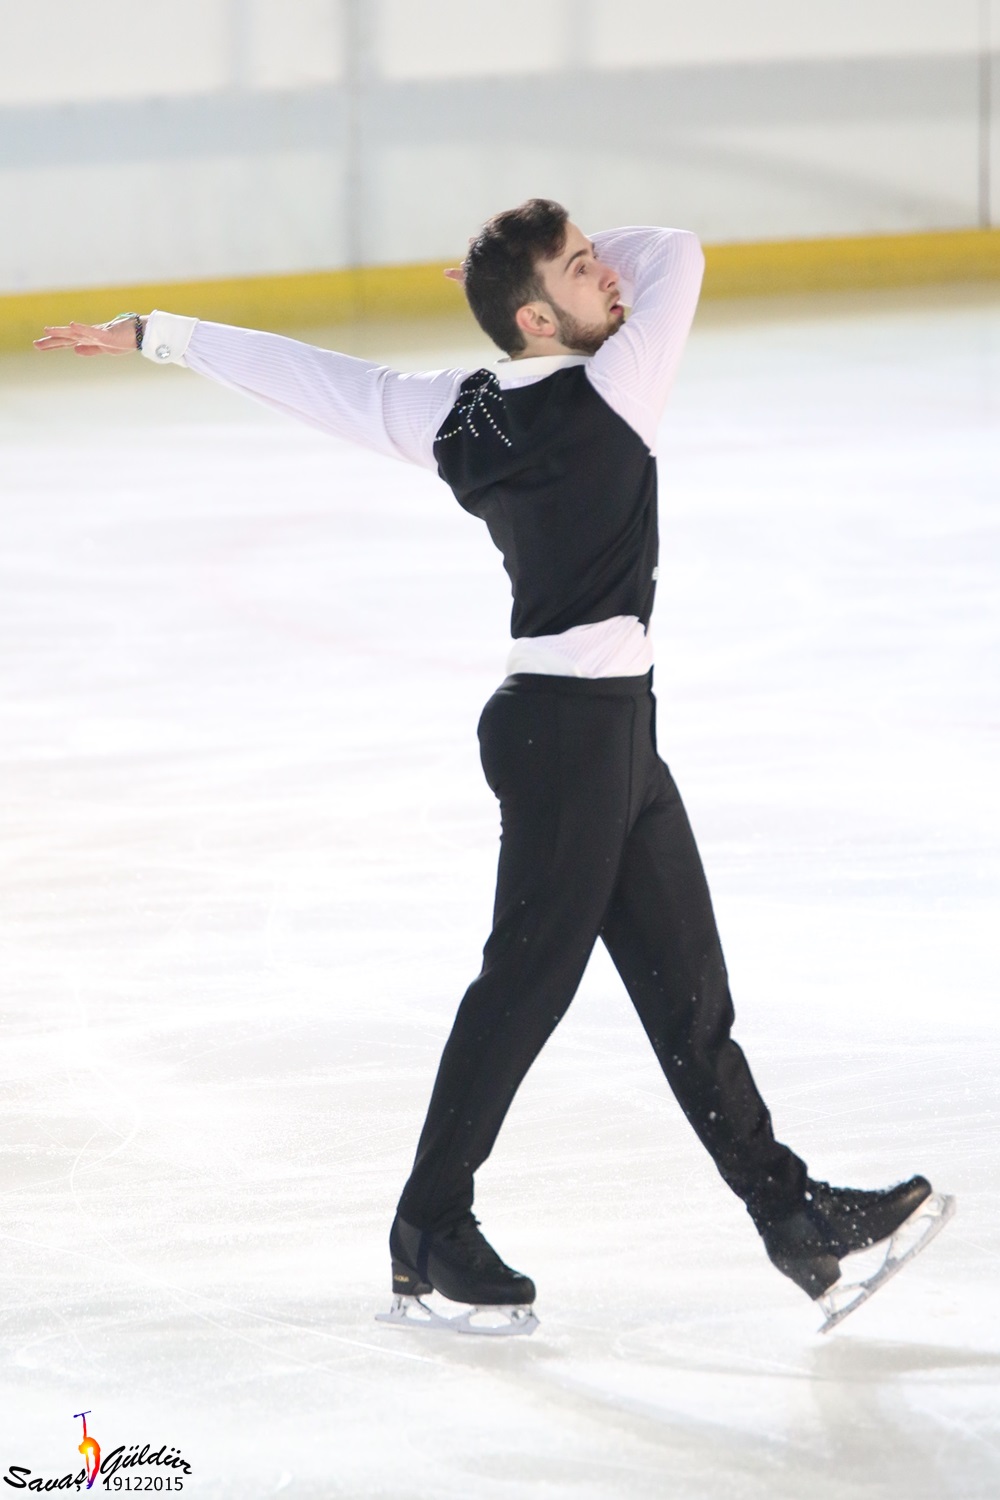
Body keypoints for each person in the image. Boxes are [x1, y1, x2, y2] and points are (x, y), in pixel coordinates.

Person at [36, 199, 948, 1335]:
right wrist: (526, 265)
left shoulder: (457, 415)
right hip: (572, 741)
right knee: (524, 987)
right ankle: (429, 1225)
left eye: (595, 257)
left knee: (688, 995)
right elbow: (676, 252)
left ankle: (789, 1213)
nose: (607, 275)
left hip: (599, 731)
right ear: (534, 318)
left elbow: (318, 382)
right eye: (578, 268)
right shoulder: (616, 388)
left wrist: (164, 333)